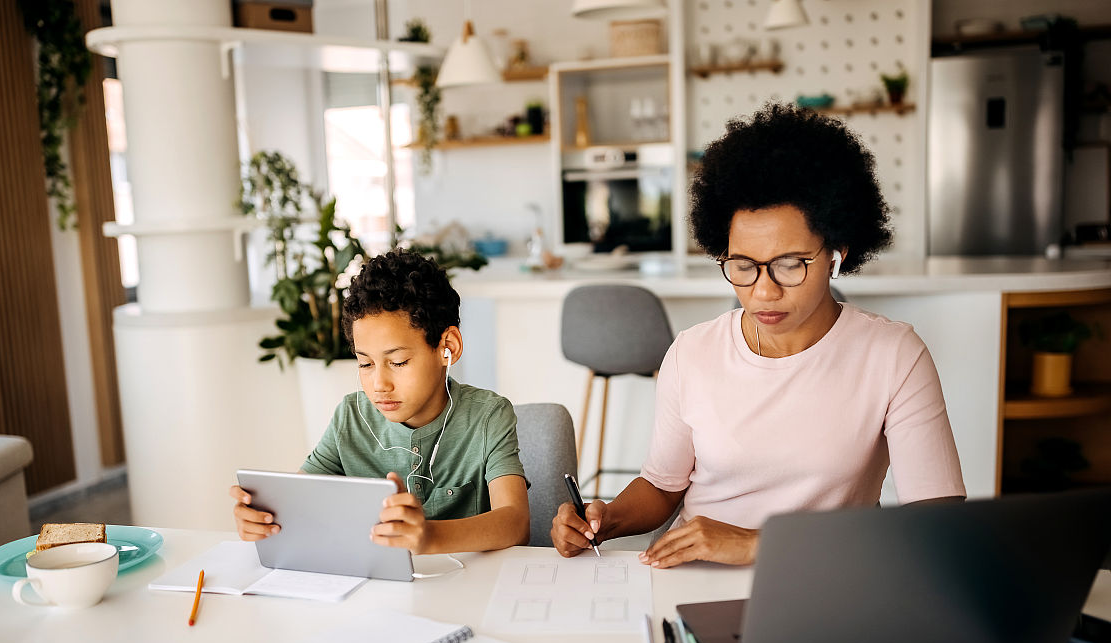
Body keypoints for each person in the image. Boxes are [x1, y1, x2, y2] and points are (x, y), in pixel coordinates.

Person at [551, 102, 966, 567]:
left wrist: (758, 544)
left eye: (789, 264)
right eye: (743, 265)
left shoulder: (893, 356)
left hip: (824, 575)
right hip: (692, 574)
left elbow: (939, 526)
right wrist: (606, 520)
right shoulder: (692, 352)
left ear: (837, 253)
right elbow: (662, 487)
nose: (764, 291)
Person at [231, 249, 530, 554]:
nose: (379, 385)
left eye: (398, 362)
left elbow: (516, 523)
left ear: (447, 348)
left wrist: (430, 536)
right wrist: (264, 517)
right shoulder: (350, 417)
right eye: (365, 363)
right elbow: (297, 502)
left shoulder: (488, 416)